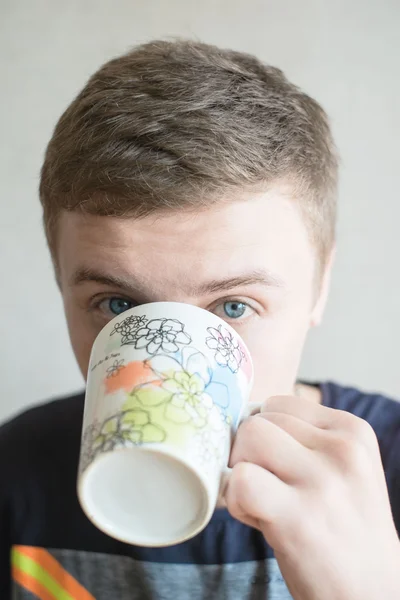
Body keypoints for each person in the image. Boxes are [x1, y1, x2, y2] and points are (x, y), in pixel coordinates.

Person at [1, 39, 400, 600]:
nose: (173, 372)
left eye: (234, 307)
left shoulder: (388, 480)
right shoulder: (16, 471)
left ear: (320, 285)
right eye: (119, 306)